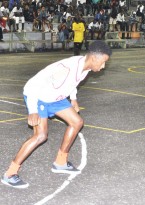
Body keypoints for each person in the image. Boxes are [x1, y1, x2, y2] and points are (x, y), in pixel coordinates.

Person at [1, 41, 112, 189]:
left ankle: (60, 162)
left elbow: (73, 83)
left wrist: (73, 98)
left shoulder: (84, 66)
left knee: (77, 122)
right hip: (39, 96)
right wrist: (33, 109)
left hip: (55, 97)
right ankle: (10, 173)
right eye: (103, 62)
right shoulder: (66, 68)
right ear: (94, 58)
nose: (103, 66)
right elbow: (35, 85)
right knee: (40, 136)